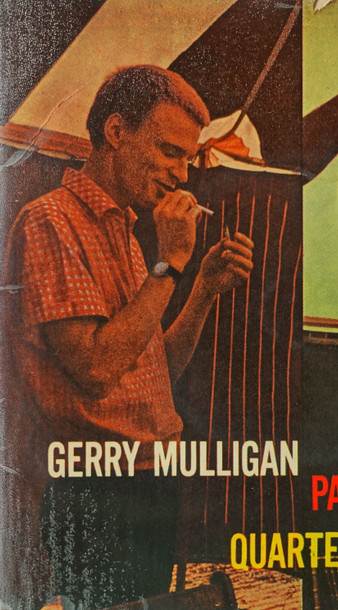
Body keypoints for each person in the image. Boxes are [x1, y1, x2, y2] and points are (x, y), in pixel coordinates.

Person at [1, 65, 254, 608]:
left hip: (148, 482)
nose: (181, 175)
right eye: (170, 152)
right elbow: (95, 370)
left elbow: (155, 372)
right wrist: (172, 262)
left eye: (188, 159)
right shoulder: (50, 222)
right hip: (96, 491)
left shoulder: (127, 235)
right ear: (116, 131)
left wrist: (202, 288)